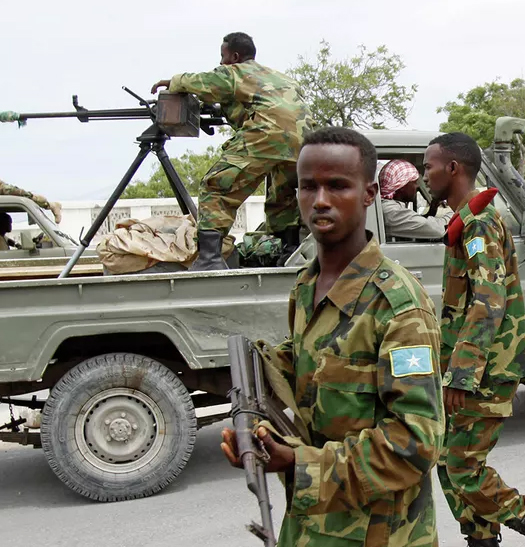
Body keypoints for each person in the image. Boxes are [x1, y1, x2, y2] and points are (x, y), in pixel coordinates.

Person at [219, 127, 444, 546]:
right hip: (312, 527)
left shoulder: (397, 305)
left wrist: (298, 465)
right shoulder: (308, 284)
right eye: (309, 186)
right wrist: (256, 414)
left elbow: (418, 443)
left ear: (369, 193)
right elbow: (314, 367)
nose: (320, 200)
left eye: (337, 185)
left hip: (379, 535)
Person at [424, 132, 525, 547]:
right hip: (468, 367)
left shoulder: (480, 224)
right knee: (448, 462)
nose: (424, 174)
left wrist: (460, 374)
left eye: (428, 165)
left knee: (462, 467)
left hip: (486, 368)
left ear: (452, 168)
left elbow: (489, 301)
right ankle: (481, 539)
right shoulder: (465, 222)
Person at [151, 31, 310, 271]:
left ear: (234, 56)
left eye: (223, 57)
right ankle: (288, 252)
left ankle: (210, 259)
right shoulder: (280, 78)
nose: (221, 63)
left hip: (267, 134)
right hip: (303, 142)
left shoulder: (235, 72)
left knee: (216, 185)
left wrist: (174, 81)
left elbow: (205, 81)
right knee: (282, 193)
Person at [378, 159, 453, 240]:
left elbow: (414, 223)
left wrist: (431, 212)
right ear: (402, 185)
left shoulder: (390, 208)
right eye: (414, 182)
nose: (417, 186)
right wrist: (457, 212)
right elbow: (438, 230)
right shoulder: (391, 211)